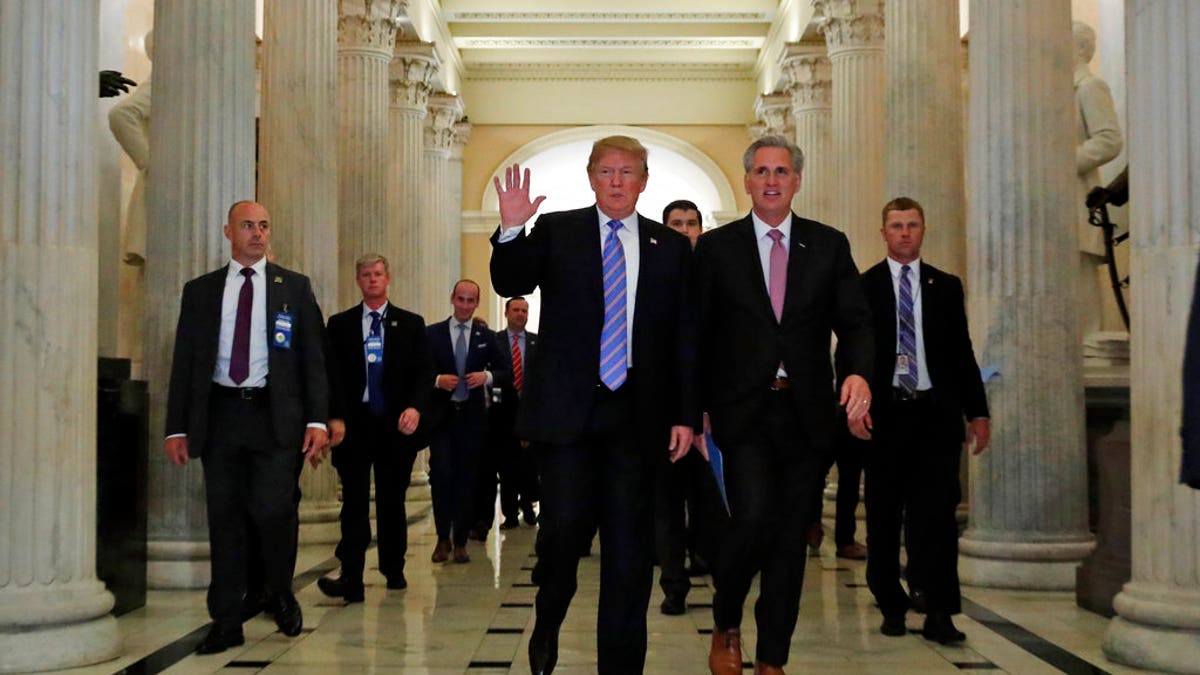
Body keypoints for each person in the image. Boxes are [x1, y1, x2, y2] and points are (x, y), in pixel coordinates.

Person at [491, 135, 699, 674]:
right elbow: (510, 278)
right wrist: (512, 229)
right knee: (561, 534)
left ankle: (622, 666)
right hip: (567, 416)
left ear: (644, 181)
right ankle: (548, 618)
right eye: (606, 171)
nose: (616, 181)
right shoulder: (558, 230)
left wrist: (684, 413)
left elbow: (684, 337)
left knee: (630, 553)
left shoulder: (669, 247)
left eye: (627, 172)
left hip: (636, 416)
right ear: (590, 177)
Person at [694, 135, 873, 675]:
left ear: (797, 180)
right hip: (742, 412)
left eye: (782, 171)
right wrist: (694, 408)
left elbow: (857, 322)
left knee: (791, 538)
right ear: (747, 181)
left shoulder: (829, 245)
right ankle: (727, 621)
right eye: (762, 171)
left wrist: (859, 371)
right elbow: (696, 334)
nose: (772, 180)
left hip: (807, 413)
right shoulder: (717, 249)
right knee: (750, 520)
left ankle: (773, 657)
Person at [164, 200, 329, 654]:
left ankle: (278, 590)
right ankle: (226, 618)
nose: (258, 233)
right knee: (225, 519)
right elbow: (185, 363)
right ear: (228, 232)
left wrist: (317, 418)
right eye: (248, 226)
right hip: (220, 417)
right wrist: (176, 426)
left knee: (274, 510)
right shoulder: (200, 291)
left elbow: (312, 359)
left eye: (263, 226)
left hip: (274, 418)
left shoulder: (292, 288)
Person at [856, 197, 991, 644]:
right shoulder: (864, 286)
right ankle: (891, 603)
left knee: (936, 520)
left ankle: (939, 611)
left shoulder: (945, 286)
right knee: (882, 515)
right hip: (886, 417)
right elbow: (852, 356)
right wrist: (854, 409)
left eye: (913, 224)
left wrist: (978, 411)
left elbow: (962, 353)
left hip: (935, 416)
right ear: (884, 232)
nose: (905, 233)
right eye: (896, 225)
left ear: (923, 229)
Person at [316, 253, 433, 601]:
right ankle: (350, 575)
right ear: (358, 280)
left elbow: (424, 373)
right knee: (352, 501)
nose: (372, 279)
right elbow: (329, 375)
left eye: (378, 273)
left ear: (388, 277)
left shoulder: (410, 324)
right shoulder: (339, 325)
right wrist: (333, 415)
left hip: (394, 425)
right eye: (365, 274)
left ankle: (393, 566)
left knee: (391, 499)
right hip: (354, 425)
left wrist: (415, 407)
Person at [654, 198, 715, 616]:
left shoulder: (718, 274)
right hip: (665, 414)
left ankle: (706, 559)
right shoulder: (653, 276)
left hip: (713, 414)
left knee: (710, 501)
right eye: (676, 223)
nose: (685, 230)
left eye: (691, 223)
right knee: (668, 504)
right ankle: (674, 585)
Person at [425, 280, 505, 564]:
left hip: (472, 419)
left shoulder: (486, 336)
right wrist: (436, 380)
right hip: (442, 418)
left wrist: (487, 377)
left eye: (471, 301)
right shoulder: (432, 334)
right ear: (453, 299)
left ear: (477, 303)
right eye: (461, 299)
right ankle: (442, 538)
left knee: (466, 478)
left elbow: (505, 369)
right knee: (442, 474)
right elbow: (417, 371)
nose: (466, 305)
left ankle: (460, 540)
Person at [1073, 20, 1124, 336]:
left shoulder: (1090, 86)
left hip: (1078, 195)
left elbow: (1109, 139)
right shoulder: (1057, 90)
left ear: (1080, 47)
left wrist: (1060, 162)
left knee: (1080, 279)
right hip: (1055, 200)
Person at [490, 296, 540, 529]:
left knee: (529, 465)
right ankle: (509, 514)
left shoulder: (537, 342)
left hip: (530, 412)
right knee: (507, 466)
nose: (521, 314)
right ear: (507, 313)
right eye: (516, 310)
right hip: (502, 414)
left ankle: (529, 507)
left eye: (524, 310)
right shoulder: (495, 341)